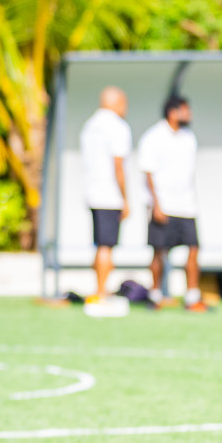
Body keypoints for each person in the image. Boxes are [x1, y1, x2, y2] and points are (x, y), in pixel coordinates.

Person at [139, 95, 205, 312]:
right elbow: (148, 173)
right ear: (173, 112)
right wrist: (156, 205)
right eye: (186, 110)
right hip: (163, 204)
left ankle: (192, 297)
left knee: (193, 249)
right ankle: (155, 295)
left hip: (187, 205)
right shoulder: (153, 137)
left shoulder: (189, 138)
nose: (190, 114)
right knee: (159, 251)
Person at [79, 87, 131, 302]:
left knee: (100, 244)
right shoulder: (118, 127)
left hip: (92, 193)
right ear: (117, 102)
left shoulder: (90, 125)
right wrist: (125, 198)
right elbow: (118, 166)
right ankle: (101, 292)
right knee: (106, 246)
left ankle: (100, 288)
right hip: (109, 195)